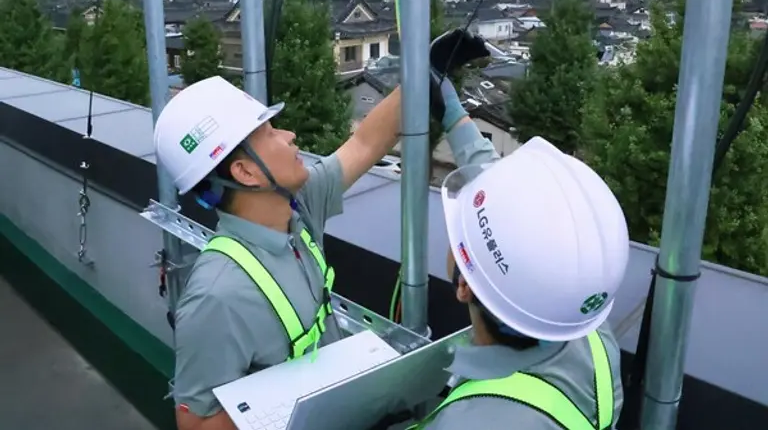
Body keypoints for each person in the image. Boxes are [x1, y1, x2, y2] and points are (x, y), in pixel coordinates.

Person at [152, 31, 488, 430]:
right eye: (271, 132)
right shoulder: (218, 295)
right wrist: (293, 399)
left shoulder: (298, 209)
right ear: (245, 172)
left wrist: (425, 75)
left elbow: (364, 143)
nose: (289, 135)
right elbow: (195, 424)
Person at [406, 70, 630, 430]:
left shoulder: (465, 423)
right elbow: (523, 209)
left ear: (463, 285)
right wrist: (453, 113)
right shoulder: (588, 333)